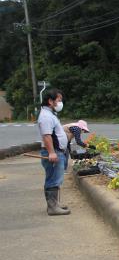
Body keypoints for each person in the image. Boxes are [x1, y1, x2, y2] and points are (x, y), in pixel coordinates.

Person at [37, 88, 70, 216]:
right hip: (53, 152)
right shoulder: (45, 116)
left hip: (57, 151)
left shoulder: (50, 114)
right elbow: (47, 136)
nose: (60, 103)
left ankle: (55, 204)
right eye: (59, 100)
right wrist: (51, 152)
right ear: (50, 101)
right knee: (53, 179)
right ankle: (52, 207)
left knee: (56, 178)